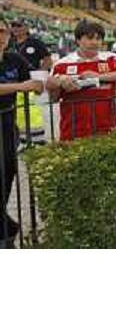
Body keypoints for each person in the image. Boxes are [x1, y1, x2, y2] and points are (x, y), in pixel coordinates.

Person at [46, 20, 116, 141]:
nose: (95, 42)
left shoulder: (110, 58)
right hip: (73, 130)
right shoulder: (62, 64)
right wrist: (60, 81)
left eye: (98, 39)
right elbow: (52, 96)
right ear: (78, 40)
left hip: (107, 128)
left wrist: (99, 76)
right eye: (89, 38)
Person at [0, 18, 44, 247]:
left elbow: (33, 79)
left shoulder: (13, 58)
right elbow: (23, 85)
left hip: (7, 124)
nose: (2, 36)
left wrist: (55, 81)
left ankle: (6, 232)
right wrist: (21, 87)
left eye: (4, 31)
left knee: (7, 174)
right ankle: (6, 233)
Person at [10, 19, 51, 145]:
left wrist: (40, 73)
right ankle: (20, 137)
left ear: (27, 27)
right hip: (13, 81)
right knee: (15, 109)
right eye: (13, 26)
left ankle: (37, 137)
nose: (16, 28)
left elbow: (48, 59)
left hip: (31, 81)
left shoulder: (36, 42)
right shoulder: (9, 43)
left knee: (32, 109)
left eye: (19, 25)